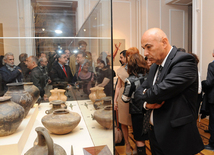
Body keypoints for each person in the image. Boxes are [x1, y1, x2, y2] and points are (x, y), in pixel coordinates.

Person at [134, 28, 204, 155]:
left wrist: (146, 94)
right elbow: (137, 92)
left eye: (148, 47)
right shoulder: (155, 65)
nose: (145, 53)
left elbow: (156, 93)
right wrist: (146, 104)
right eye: (144, 48)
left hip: (177, 137)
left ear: (164, 42)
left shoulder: (184, 60)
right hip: (155, 133)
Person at [122, 53, 149, 155]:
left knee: (139, 138)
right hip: (151, 110)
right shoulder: (150, 77)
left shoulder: (130, 80)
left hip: (137, 111)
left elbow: (125, 98)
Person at [114, 47, 139, 155]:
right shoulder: (121, 69)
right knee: (123, 123)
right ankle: (127, 144)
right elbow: (118, 86)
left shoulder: (140, 68)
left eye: (131, 55)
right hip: (123, 98)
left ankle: (138, 145)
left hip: (136, 97)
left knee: (135, 123)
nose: (129, 57)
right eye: (128, 55)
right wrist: (115, 100)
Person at [202, 50, 214, 151]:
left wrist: (203, 84)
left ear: (213, 54)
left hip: (213, 98)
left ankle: (212, 144)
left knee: (213, 120)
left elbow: (209, 82)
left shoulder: (212, 65)